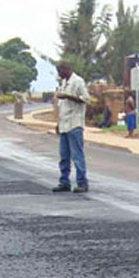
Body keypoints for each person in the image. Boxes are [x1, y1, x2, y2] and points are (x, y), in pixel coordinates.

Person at [52, 61, 90, 193]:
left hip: (75, 124)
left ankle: (82, 182)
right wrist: (58, 123)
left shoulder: (78, 81)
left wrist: (69, 96)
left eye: (59, 71)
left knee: (77, 155)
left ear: (66, 69)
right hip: (64, 124)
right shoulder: (63, 83)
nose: (58, 74)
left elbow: (86, 99)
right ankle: (64, 182)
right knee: (64, 156)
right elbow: (62, 106)